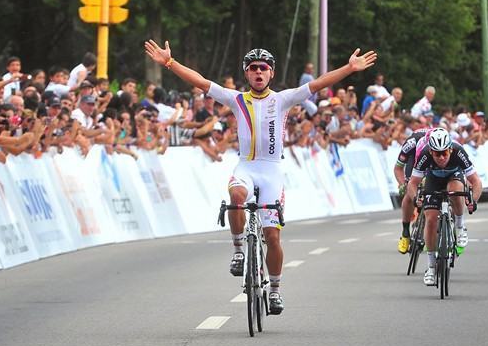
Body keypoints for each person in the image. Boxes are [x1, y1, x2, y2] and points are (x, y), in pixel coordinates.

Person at [145, 40, 376, 314]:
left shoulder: (283, 99)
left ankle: (276, 289)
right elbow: (202, 82)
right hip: (246, 166)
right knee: (236, 195)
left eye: (263, 68)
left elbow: (318, 84)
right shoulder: (236, 99)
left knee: (272, 237)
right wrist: (170, 63)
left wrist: (349, 68)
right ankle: (239, 251)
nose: (258, 72)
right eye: (253, 68)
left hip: (272, 171)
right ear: (246, 73)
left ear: (271, 73)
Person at [402, 128, 481, 286]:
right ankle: (431, 267)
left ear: (450, 149)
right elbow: (413, 183)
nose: (442, 157)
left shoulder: (459, 151)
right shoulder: (424, 155)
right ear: (431, 151)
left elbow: (476, 181)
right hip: (433, 178)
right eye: (437, 154)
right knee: (430, 219)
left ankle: (459, 226)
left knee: (456, 191)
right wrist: (415, 197)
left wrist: (474, 200)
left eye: (445, 153)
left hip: (454, 175)